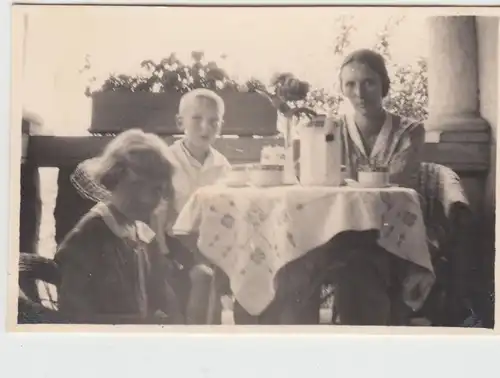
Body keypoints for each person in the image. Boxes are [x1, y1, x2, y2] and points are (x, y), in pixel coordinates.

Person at [70, 88, 232, 324]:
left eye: (213, 121)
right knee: (201, 277)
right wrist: (163, 252)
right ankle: (193, 331)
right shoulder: (167, 159)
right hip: (174, 241)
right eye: (197, 119)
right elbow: (158, 213)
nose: (205, 127)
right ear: (180, 122)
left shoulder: (222, 165)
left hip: (211, 241)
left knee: (222, 277)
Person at [320, 49, 426, 325]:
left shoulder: (409, 130)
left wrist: (347, 181)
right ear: (342, 89)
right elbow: (322, 178)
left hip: (395, 226)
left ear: (383, 85)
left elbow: (397, 180)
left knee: (360, 263)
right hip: (343, 227)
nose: (360, 92)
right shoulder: (332, 131)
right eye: (350, 84)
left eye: (368, 82)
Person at [55, 129, 183, 324]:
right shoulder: (88, 236)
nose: (146, 198)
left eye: (156, 189)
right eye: (137, 185)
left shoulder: (144, 236)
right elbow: (74, 312)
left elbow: (162, 295)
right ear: (113, 178)